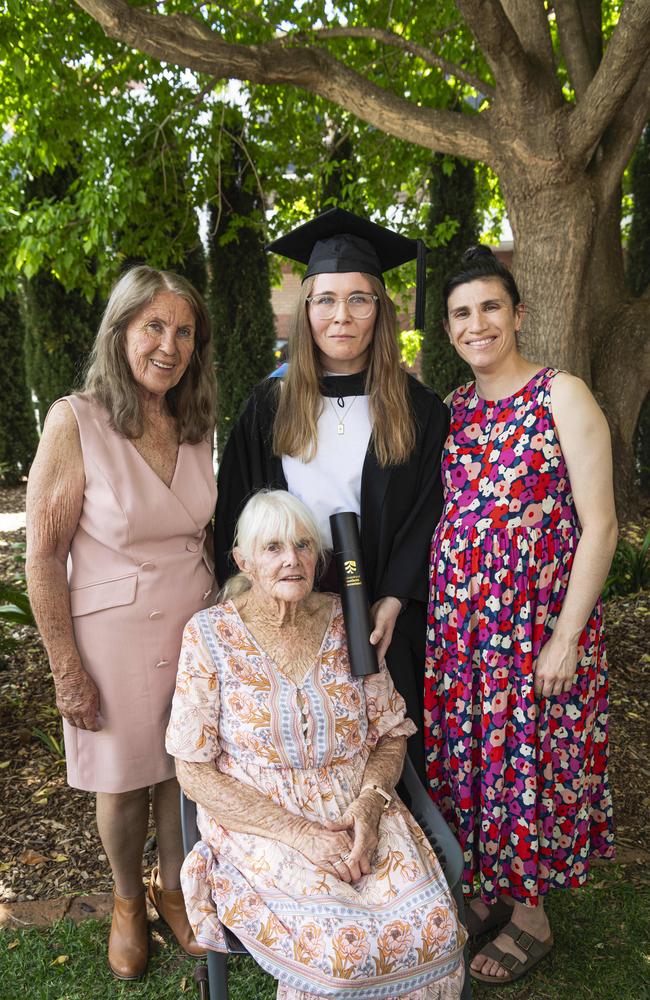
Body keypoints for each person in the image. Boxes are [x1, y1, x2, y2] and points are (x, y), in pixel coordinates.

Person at [167, 489, 466, 1000]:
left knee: (433, 930)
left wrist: (370, 806)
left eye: (304, 545)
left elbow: (391, 732)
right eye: (274, 547)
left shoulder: (347, 621)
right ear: (243, 560)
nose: (292, 559)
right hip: (262, 821)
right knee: (341, 952)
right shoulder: (210, 635)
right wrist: (301, 835)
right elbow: (193, 770)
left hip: (358, 803)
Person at [424, 246, 617, 984]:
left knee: (532, 769)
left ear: (517, 314)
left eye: (491, 308)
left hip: (538, 631)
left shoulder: (561, 395)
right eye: (463, 314)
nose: (479, 325)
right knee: (478, 769)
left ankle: (531, 915)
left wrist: (565, 638)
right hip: (467, 638)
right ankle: (490, 890)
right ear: (449, 329)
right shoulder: (453, 410)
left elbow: (599, 525)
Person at [25, 266, 217, 979]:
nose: (169, 344)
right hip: (112, 635)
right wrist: (65, 669)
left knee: (181, 770)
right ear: (121, 332)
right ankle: (128, 900)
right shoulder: (75, 419)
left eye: (184, 331)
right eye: (154, 327)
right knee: (122, 780)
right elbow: (42, 556)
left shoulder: (196, 421)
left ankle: (175, 888)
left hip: (194, 629)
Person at [214, 208, 449, 781]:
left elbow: (429, 514)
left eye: (359, 299)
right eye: (325, 299)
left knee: (387, 747)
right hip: (288, 604)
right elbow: (235, 512)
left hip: (380, 614)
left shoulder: (419, 410)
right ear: (306, 310)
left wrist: (394, 596)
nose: (340, 316)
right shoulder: (269, 405)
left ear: (380, 311)